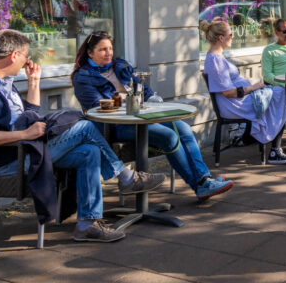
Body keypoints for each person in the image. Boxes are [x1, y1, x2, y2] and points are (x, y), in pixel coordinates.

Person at [0, 29, 165, 243]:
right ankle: (126, 177)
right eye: (26, 56)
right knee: (86, 127)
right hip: (7, 161)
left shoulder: (2, 80)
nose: (28, 61)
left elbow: (29, 115)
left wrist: (34, 83)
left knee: (89, 151)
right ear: (13, 56)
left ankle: (87, 226)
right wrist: (24, 133)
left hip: (27, 148)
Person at [72, 31, 233, 199]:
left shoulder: (121, 65)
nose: (109, 53)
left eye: (110, 48)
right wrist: (129, 100)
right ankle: (199, 185)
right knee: (169, 136)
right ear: (90, 53)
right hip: (114, 126)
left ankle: (204, 180)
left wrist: (152, 99)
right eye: (103, 49)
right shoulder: (83, 77)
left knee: (184, 128)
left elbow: (145, 92)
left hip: (142, 118)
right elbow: (97, 107)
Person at [202, 21, 286, 164]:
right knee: (281, 94)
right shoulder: (215, 61)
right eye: (231, 34)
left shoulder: (217, 57)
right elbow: (228, 93)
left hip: (238, 101)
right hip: (233, 105)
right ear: (221, 38)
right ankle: (275, 151)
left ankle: (269, 146)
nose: (233, 37)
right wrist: (252, 88)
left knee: (278, 93)